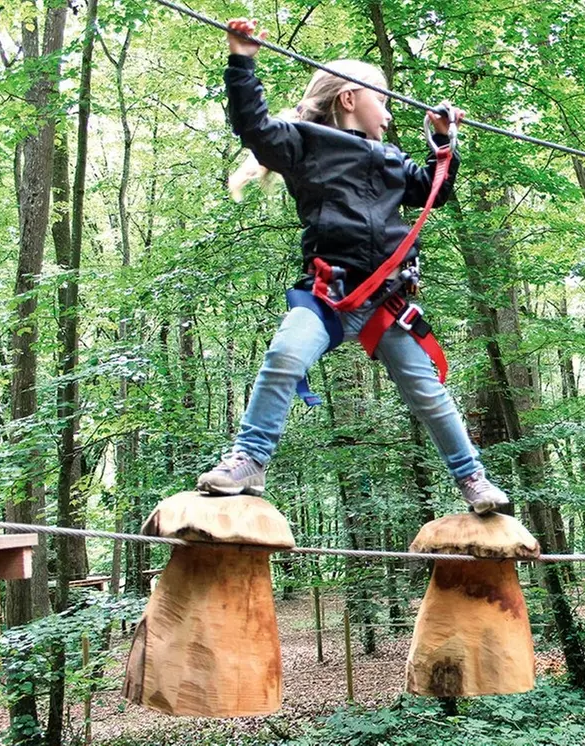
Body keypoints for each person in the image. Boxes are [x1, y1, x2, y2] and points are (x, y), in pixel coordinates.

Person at [197, 18, 508, 514]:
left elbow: (435, 188)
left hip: (386, 300)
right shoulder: (304, 144)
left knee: (428, 393)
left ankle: (472, 479)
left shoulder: (389, 158)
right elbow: (253, 126)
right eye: (380, 99)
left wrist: (444, 139)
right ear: (349, 99)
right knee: (284, 357)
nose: (387, 111)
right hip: (330, 293)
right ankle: (249, 460)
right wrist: (242, 60)